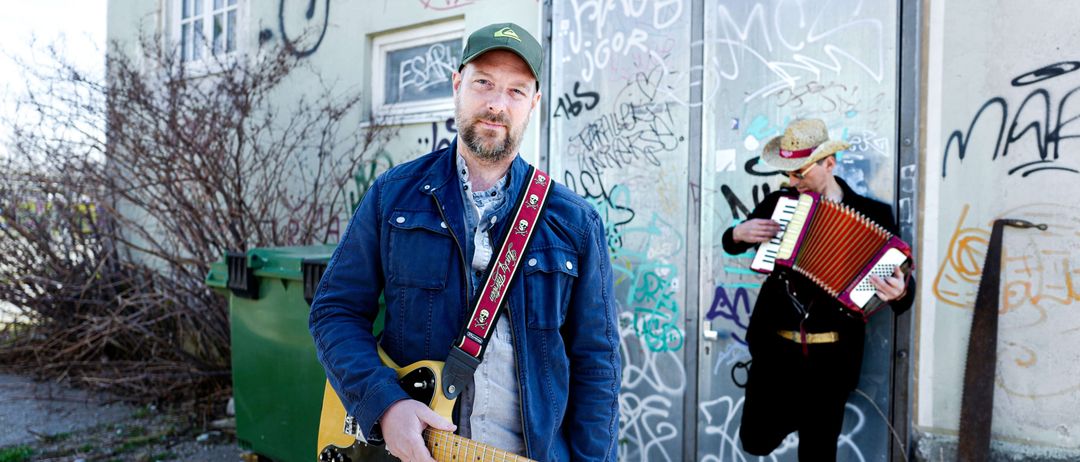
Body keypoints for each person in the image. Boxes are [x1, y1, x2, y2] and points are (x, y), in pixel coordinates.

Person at [309, 23, 621, 462]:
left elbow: (598, 367)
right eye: (484, 83)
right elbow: (334, 312)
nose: (497, 104)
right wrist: (384, 404)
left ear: (534, 104)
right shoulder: (392, 194)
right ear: (457, 85)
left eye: (516, 91)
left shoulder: (575, 223)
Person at [722, 118, 914, 461]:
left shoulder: (873, 214)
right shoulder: (779, 205)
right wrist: (737, 234)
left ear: (829, 163)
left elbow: (901, 286)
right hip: (776, 355)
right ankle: (797, 411)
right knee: (755, 440)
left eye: (800, 172)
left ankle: (810, 413)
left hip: (831, 361)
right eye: (788, 173)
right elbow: (734, 243)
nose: (792, 181)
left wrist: (900, 291)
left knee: (817, 455)